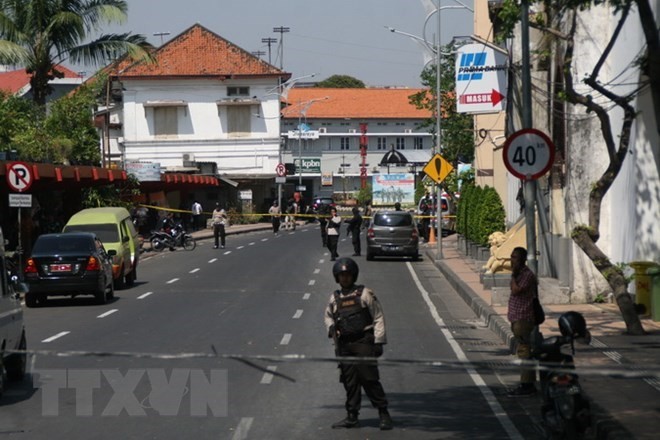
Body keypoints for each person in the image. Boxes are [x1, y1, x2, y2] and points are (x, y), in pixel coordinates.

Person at [324, 258, 393, 431]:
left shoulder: (364, 294)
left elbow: (378, 317)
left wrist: (379, 341)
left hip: (363, 342)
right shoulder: (335, 298)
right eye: (341, 276)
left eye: (347, 275)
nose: (345, 278)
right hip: (344, 346)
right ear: (337, 277)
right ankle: (352, 416)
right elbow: (328, 316)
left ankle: (384, 414)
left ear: (353, 276)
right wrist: (332, 328)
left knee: (369, 379)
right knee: (350, 382)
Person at [507, 246, 539, 397]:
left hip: (523, 318)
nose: (512, 260)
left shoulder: (526, 275)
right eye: (511, 257)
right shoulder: (519, 274)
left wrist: (513, 276)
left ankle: (527, 385)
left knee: (524, 351)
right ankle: (528, 382)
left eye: (515, 258)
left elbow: (516, 290)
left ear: (522, 260)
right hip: (516, 318)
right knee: (524, 350)